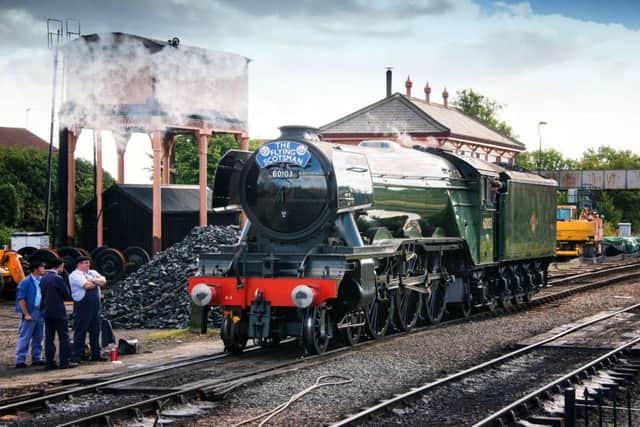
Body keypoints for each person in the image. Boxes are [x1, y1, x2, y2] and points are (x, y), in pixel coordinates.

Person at [40, 258, 77, 370]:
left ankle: (49, 362)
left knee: (49, 338)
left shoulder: (43, 278)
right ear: (60, 266)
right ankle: (64, 362)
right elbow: (66, 295)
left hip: (46, 311)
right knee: (64, 337)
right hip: (58, 311)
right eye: (62, 266)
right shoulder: (57, 278)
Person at [69, 256, 107, 363]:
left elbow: (104, 281)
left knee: (95, 331)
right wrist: (96, 282)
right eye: (85, 263)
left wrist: (93, 280)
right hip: (82, 307)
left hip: (95, 306)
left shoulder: (92, 273)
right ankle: (76, 356)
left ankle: (96, 354)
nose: (88, 265)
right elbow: (86, 286)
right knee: (81, 331)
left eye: (88, 263)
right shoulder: (75, 275)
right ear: (79, 264)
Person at [14, 262, 46, 368]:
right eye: (42, 266)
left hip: (40, 311)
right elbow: (21, 299)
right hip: (31, 311)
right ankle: (20, 360)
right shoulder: (26, 282)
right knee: (25, 336)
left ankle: (37, 358)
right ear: (36, 269)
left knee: (39, 336)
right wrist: (26, 314)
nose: (44, 269)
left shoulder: (41, 280)